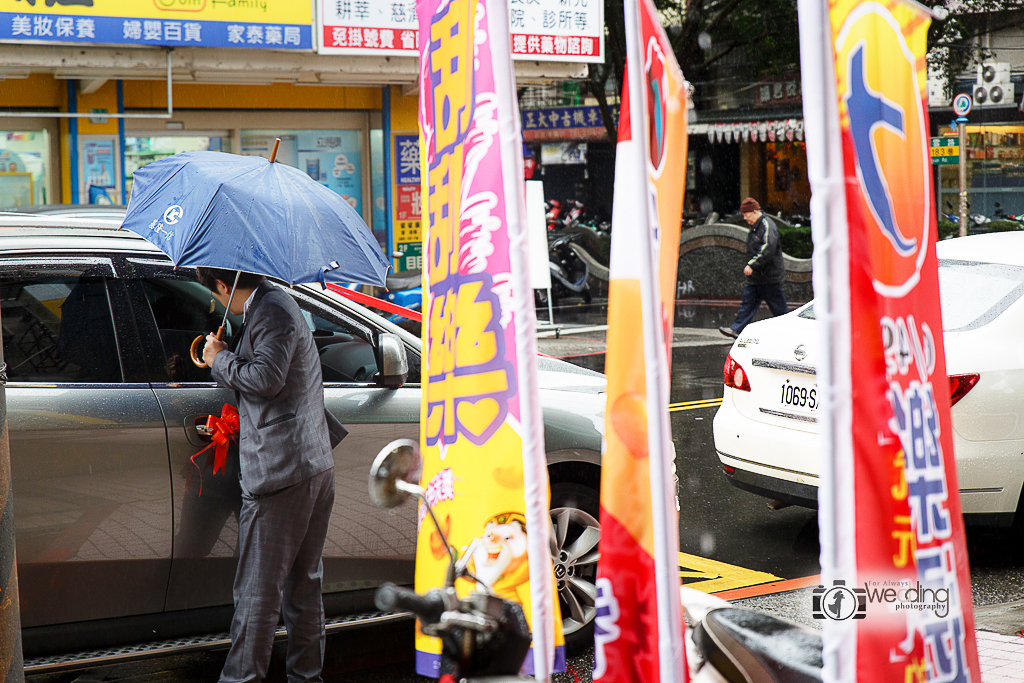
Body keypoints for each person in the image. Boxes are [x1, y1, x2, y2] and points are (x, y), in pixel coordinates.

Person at [198, 267, 346, 683]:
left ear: (224, 287)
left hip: (284, 471)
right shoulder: (271, 305)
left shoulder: (273, 311)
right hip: (307, 462)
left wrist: (219, 358)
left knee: (257, 595)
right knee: (302, 587)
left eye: (215, 292)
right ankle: (306, 677)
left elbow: (266, 378)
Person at [719, 198, 788, 338]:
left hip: (769, 276)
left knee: (779, 308)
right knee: (748, 303)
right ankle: (735, 329)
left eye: (746, 214)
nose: (745, 218)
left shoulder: (767, 225)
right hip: (757, 276)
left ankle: (790, 330)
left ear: (755, 211)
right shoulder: (757, 225)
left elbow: (768, 248)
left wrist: (752, 264)